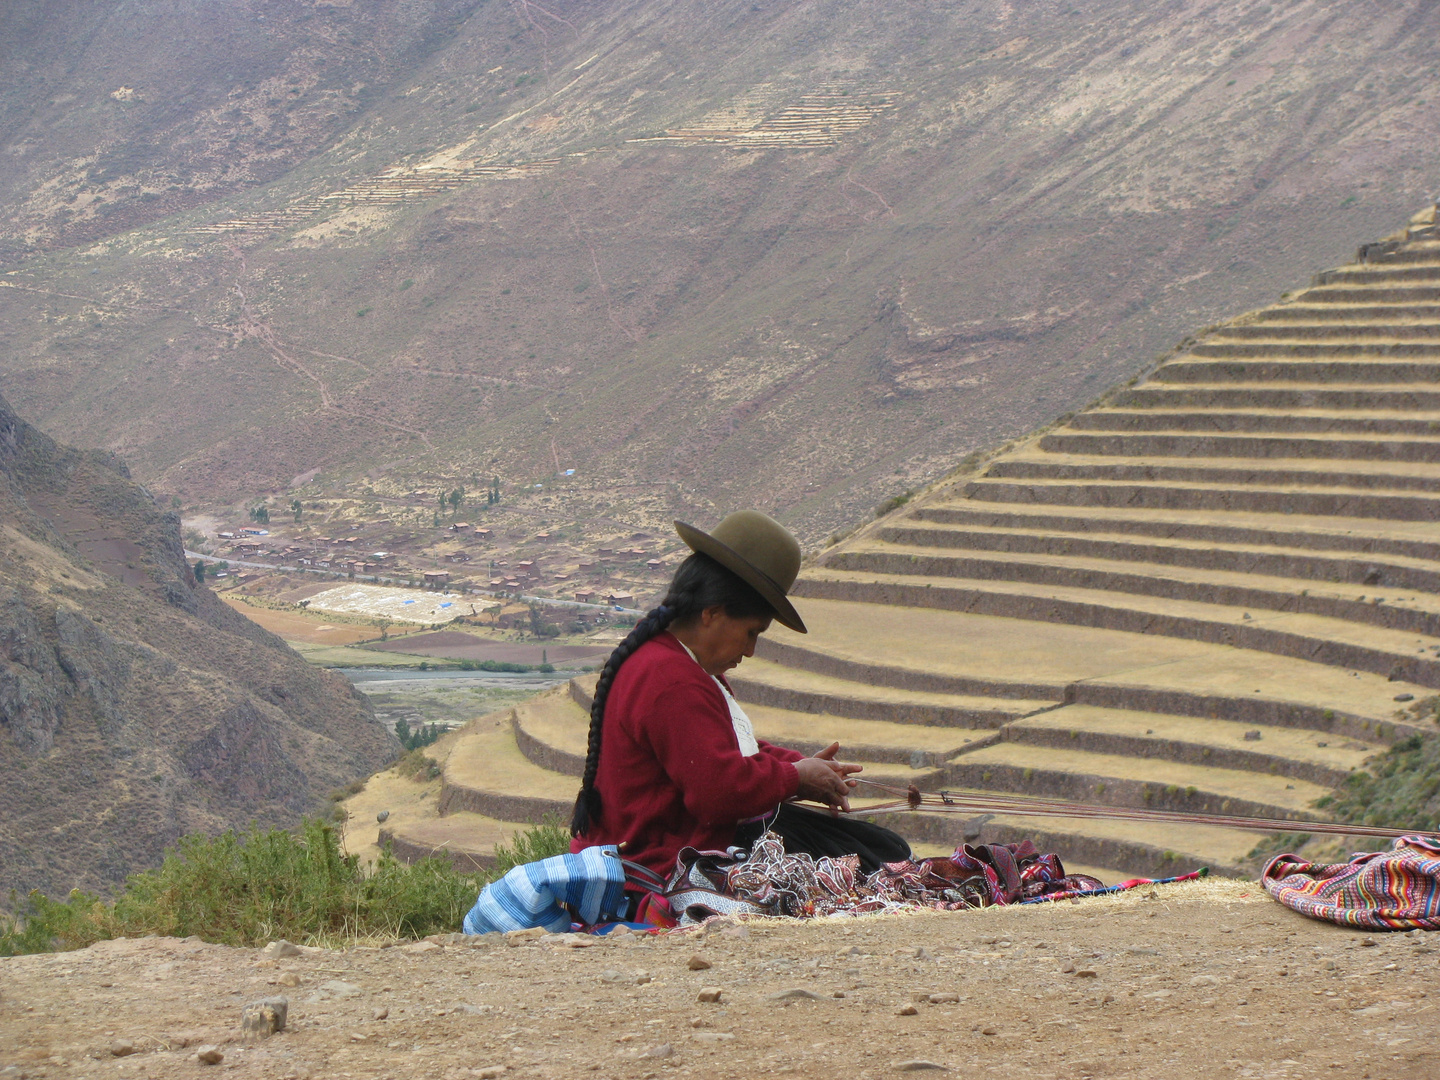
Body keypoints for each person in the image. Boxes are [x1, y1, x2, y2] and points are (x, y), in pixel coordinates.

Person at [569, 510, 912, 882]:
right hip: (661, 859)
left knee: (877, 847)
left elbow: (717, 749)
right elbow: (718, 793)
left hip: (664, 838)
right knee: (878, 860)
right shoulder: (672, 680)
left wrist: (801, 767)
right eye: (751, 633)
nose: (749, 651)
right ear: (712, 614)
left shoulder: (666, 659)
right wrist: (794, 778)